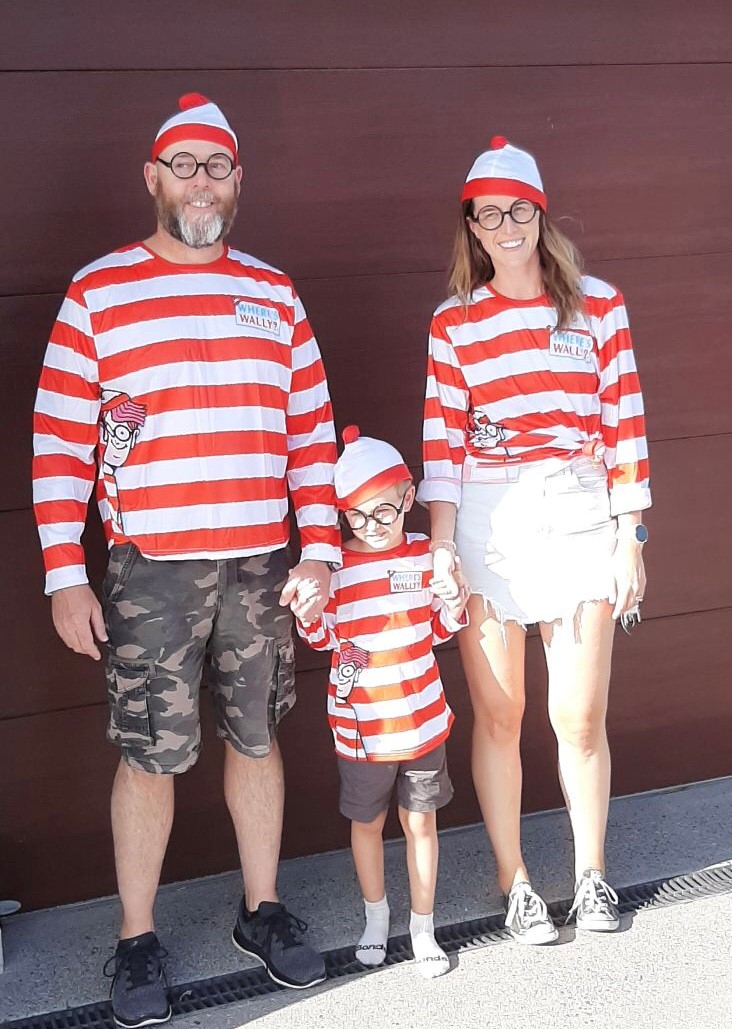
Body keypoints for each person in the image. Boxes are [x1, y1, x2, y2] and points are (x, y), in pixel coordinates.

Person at [32, 93, 340, 1027]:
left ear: (237, 181)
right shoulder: (97, 292)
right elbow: (60, 441)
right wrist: (64, 571)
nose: (201, 183)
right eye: (184, 165)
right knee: (149, 755)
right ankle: (136, 937)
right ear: (153, 178)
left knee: (257, 740)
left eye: (217, 167)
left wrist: (322, 549)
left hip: (260, 564)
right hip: (150, 569)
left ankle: (262, 909)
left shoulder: (274, 293)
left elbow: (311, 434)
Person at [419, 136, 651, 943]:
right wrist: (442, 547)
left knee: (579, 715)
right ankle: (513, 879)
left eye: (519, 208)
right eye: (489, 214)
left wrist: (631, 536)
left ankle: (592, 875)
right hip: (490, 515)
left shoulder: (599, 306)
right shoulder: (454, 322)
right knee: (500, 711)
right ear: (472, 226)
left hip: (581, 509)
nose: (506, 225)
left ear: (540, 212)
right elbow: (442, 446)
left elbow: (625, 427)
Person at [296, 427, 470, 978]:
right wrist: (308, 615)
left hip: (421, 720)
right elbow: (323, 640)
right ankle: (376, 916)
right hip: (360, 729)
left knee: (421, 825)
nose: (371, 526)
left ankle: (423, 925)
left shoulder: (425, 556)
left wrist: (454, 600)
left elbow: (439, 631)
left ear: (409, 497)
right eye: (356, 516)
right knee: (366, 823)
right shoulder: (335, 570)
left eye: (384, 512)